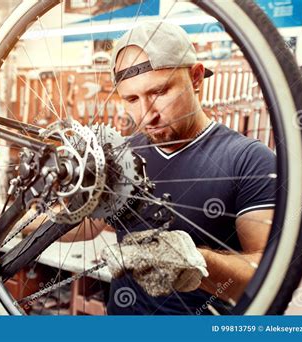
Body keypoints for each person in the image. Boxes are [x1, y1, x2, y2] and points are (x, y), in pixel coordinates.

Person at [100, 21, 276, 315]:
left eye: (159, 92)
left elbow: (271, 273)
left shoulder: (250, 160)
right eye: (131, 99)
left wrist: (196, 261)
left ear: (196, 78)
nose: (146, 115)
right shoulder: (122, 155)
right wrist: (16, 221)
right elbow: (83, 225)